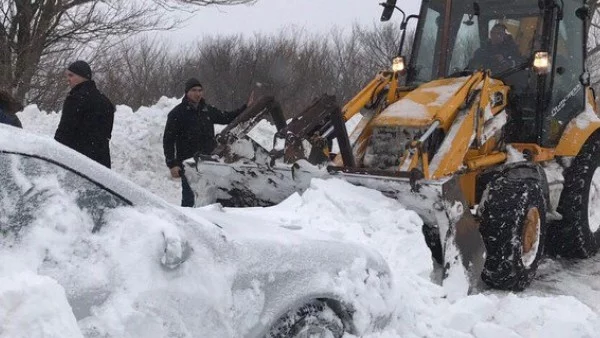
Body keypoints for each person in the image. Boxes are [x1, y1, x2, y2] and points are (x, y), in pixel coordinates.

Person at [163, 78, 253, 207]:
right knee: (190, 199)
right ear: (187, 92)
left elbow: (226, 117)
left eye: (200, 90)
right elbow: (168, 140)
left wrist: (245, 108)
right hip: (189, 164)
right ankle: (186, 224)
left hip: (209, 162)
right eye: (194, 90)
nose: (198, 93)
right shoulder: (177, 113)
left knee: (208, 199)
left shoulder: (207, 110)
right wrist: (172, 164)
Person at [55, 60, 115, 168]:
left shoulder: (75, 99)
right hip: (101, 162)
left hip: (79, 163)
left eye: (71, 75)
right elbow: (107, 135)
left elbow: (64, 134)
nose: (68, 79)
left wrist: (55, 156)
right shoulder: (106, 101)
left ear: (81, 76)